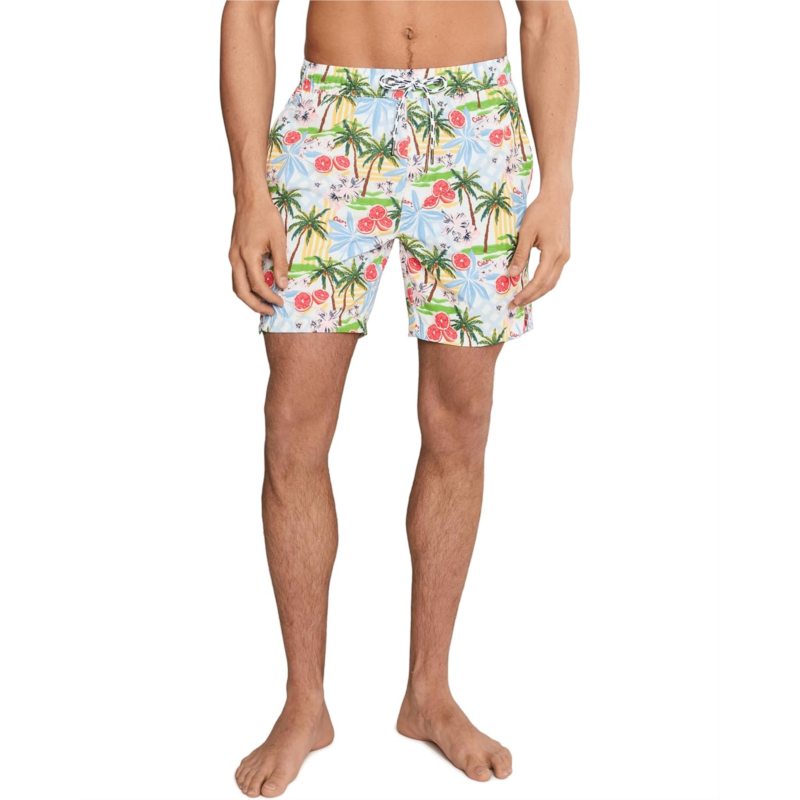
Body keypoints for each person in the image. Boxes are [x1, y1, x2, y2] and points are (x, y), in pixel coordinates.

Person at [220, 0, 578, 796]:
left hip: (474, 123)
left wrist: (557, 185)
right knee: (293, 428)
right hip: (332, 120)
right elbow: (248, 12)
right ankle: (304, 703)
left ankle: (429, 693)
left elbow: (547, 18)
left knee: (460, 426)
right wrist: (250, 194)